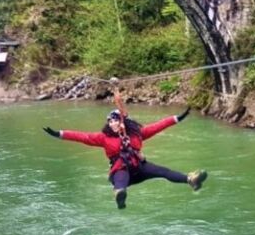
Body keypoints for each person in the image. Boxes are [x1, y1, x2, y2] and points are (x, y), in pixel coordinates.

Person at [43, 90, 207, 209]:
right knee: (121, 179)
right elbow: (82, 137)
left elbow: (159, 126)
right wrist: (59, 134)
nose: (113, 123)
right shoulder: (104, 138)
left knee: (163, 171)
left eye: (115, 120)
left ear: (122, 122)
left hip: (139, 167)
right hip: (120, 169)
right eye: (110, 121)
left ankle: (191, 180)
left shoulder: (137, 133)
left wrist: (177, 118)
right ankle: (119, 195)